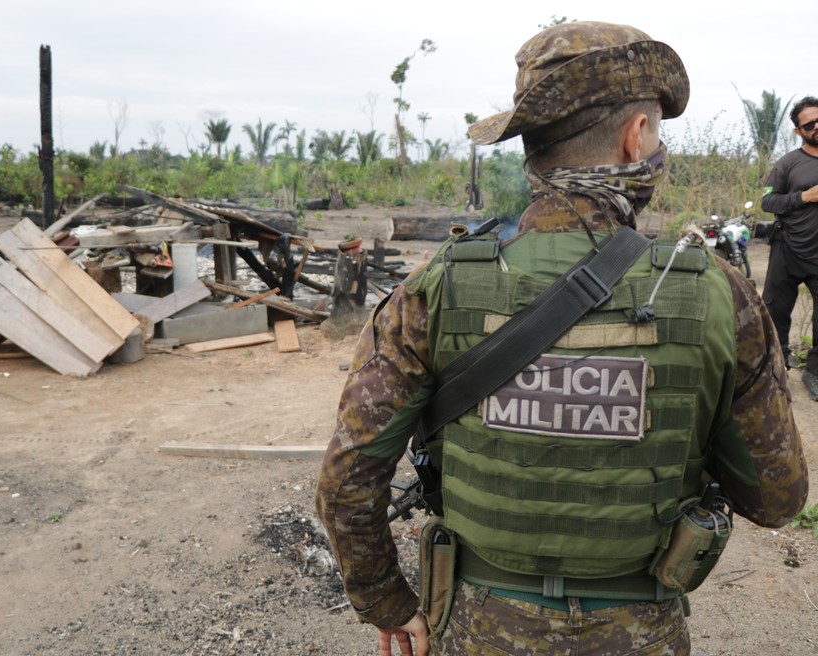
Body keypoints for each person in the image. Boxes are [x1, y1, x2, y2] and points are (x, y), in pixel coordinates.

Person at [315, 21, 809, 656]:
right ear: (637, 138)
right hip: (642, 635)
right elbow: (776, 498)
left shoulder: (434, 288)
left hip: (474, 630)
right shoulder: (719, 294)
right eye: (656, 128)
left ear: (533, 145)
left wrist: (386, 601)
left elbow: (349, 474)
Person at [761, 96, 818, 398]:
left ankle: (814, 373)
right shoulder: (788, 163)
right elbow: (768, 201)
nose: (817, 126)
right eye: (810, 124)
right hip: (787, 249)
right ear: (799, 131)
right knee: (776, 311)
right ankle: (778, 366)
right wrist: (803, 197)